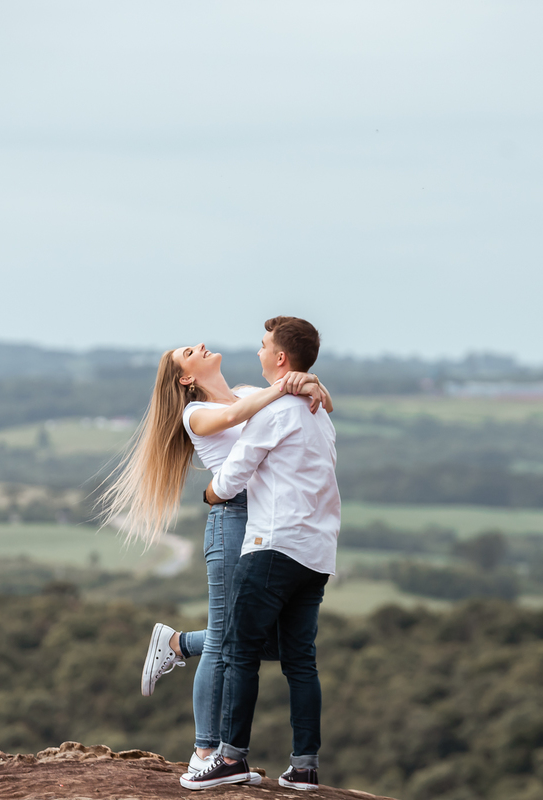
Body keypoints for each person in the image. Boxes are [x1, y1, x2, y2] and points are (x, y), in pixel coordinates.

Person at [98, 339, 331, 777]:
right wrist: (292, 384)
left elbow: (309, 405)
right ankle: (206, 752)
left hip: (271, 516)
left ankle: (179, 643)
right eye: (188, 353)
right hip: (233, 519)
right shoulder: (196, 414)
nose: (200, 345)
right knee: (228, 637)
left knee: (275, 644)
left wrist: (311, 383)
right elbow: (236, 416)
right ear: (186, 379)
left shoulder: (248, 392)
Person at [181, 316, 339, 792]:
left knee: (238, 650)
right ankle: (305, 766)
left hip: (270, 541)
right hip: (318, 551)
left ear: (280, 358)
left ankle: (228, 757)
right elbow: (232, 415)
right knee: (300, 661)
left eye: (264, 345)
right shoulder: (314, 410)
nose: (257, 350)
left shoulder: (273, 408)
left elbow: (232, 477)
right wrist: (302, 384)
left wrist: (208, 496)